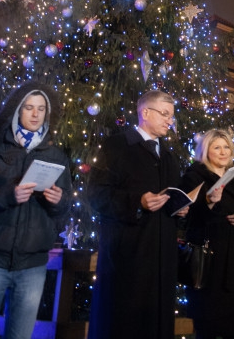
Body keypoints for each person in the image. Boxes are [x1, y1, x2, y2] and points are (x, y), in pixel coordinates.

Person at [87, 90, 188, 339]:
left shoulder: (169, 157)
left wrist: (180, 208)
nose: (169, 121)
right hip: (127, 258)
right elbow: (96, 194)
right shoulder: (116, 146)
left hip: (162, 260)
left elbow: (170, 199)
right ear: (145, 112)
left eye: (171, 116)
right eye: (164, 114)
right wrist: (137, 202)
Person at [0, 82, 72, 339]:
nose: (35, 114)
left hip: (33, 266)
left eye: (41, 109)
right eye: (29, 107)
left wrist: (58, 201)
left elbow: (63, 214)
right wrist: (8, 196)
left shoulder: (56, 156)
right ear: (18, 111)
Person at [179, 129, 234, 339]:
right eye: (217, 147)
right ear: (206, 151)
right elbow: (187, 218)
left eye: (226, 147)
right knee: (209, 328)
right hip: (210, 264)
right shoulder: (193, 177)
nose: (223, 152)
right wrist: (209, 201)